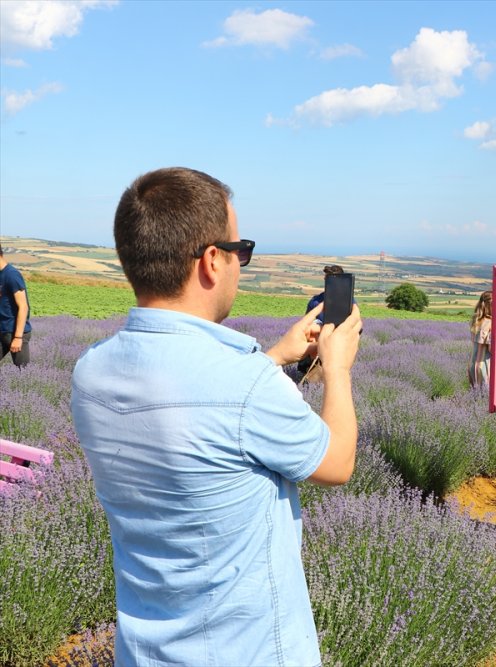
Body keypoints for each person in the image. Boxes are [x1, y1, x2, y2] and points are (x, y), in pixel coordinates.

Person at [71, 167, 362, 667]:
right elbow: (337, 463)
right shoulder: (245, 385)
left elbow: (191, 411)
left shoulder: (91, 372)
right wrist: (337, 369)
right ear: (211, 261)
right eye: (240, 250)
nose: (240, 264)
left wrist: (272, 358)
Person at [468, 290, 496, 388]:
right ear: (491, 306)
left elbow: (488, 325)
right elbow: (493, 349)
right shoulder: (493, 324)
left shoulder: (476, 320)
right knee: (488, 399)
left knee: (476, 399)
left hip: (473, 366)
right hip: (486, 367)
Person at [0, 246, 32, 368]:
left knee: (23, 371)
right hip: (2, 331)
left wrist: (18, 337)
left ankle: (26, 388)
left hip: (16, 332)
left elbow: (23, 307)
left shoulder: (12, 275)